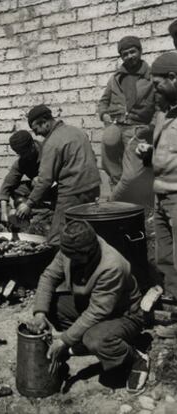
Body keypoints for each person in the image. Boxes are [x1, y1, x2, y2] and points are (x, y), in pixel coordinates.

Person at [27, 220, 148, 394]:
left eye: (74, 257)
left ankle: (135, 358)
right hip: (91, 306)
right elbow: (49, 277)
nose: (69, 259)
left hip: (124, 315)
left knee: (95, 339)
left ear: (89, 251)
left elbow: (97, 312)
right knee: (50, 305)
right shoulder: (71, 249)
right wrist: (40, 313)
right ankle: (93, 341)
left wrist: (64, 340)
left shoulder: (111, 265)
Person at [16, 104, 100, 246]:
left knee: (56, 238)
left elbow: (45, 180)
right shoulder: (77, 132)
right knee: (86, 231)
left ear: (44, 122)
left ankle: (61, 266)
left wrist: (28, 204)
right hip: (93, 188)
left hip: (73, 193)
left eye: (36, 129)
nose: (36, 134)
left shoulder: (51, 143)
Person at [137, 51, 177, 338]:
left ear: (173, 78)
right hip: (161, 196)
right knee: (165, 257)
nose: (155, 90)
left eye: (158, 83)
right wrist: (148, 154)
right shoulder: (165, 114)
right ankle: (174, 310)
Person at [97, 36, 156, 186]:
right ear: (121, 57)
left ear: (140, 51)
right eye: (125, 54)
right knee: (110, 164)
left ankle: (138, 202)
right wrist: (104, 114)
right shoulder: (116, 78)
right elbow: (104, 101)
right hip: (116, 126)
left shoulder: (151, 77)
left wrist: (151, 127)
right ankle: (118, 197)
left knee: (135, 173)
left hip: (138, 129)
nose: (129, 56)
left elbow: (159, 105)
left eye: (132, 52)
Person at [0, 130, 56, 222]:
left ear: (32, 145)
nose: (23, 156)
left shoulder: (48, 151)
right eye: (19, 154)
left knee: (38, 181)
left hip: (59, 187)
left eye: (24, 153)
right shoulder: (22, 161)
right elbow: (7, 184)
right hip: (41, 190)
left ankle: (51, 211)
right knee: (17, 189)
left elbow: (49, 180)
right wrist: (3, 212)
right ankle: (44, 211)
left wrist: (29, 204)